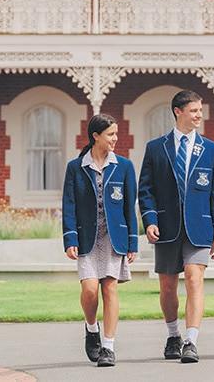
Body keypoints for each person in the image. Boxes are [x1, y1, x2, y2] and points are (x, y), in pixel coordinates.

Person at [138, 90, 214, 364]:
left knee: (193, 278)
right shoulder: (156, 148)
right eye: (194, 110)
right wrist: (150, 220)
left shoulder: (213, 151)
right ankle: (173, 335)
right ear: (178, 111)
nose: (199, 115)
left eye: (200, 110)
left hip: (200, 228)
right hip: (166, 228)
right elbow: (146, 190)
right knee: (167, 287)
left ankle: (191, 341)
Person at [62, 113, 138, 368]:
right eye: (110, 134)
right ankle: (91, 327)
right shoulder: (76, 168)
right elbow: (69, 205)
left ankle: (108, 346)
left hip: (114, 237)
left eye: (116, 134)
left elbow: (129, 207)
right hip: (87, 238)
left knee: (110, 288)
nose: (115, 139)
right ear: (95, 136)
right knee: (90, 289)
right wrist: (70, 238)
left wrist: (132, 242)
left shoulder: (124, 166)